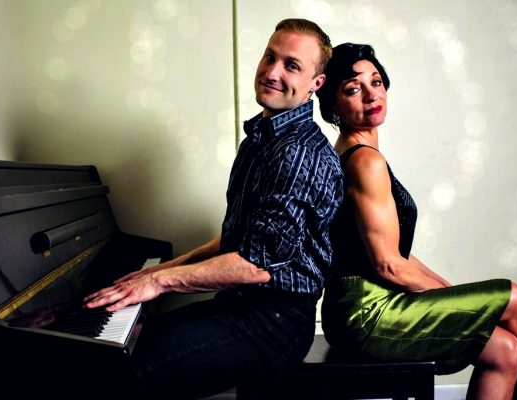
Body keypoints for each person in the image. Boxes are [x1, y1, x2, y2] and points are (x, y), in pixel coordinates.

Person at [83, 19, 343, 399]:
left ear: (315, 84)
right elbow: (239, 240)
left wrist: (156, 282)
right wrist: (157, 271)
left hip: (276, 322)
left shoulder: (297, 151)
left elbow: (255, 267)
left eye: (292, 65)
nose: (272, 72)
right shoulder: (262, 139)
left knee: (133, 375)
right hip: (241, 305)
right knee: (123, 348)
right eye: (270, 56)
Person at [314, 42, 517, 400]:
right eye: (353, 89)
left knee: (505, 350)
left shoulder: (350, 153)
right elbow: (387, 266)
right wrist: (454, 299)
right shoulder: (365, 162)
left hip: (353, 311)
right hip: (368, 314)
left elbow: (395, 252)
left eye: (376, 82)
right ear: (332, 105)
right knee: (514, 296)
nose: (371, 94)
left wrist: (453, 296)